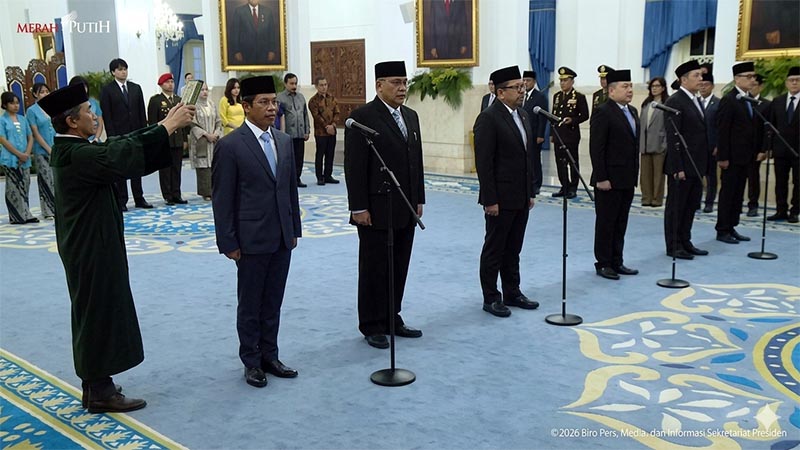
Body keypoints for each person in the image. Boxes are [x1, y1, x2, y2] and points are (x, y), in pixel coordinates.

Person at [40, 83, 195, 413]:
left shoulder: (72, 149)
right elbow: (118, 155)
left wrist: (162, 125)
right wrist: (168, 126)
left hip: (90, 244)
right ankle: (100, 391)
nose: (94, 115)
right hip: (91, 248)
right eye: (88, 111)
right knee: (99, 312)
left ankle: (95, 382)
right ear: (72, 121)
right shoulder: (77, 154)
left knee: (94, 310)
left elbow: (118, 144)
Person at [212, 76, 301, 388]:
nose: (271, 108)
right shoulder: (230, 146)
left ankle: (270, 356)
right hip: (250, 239)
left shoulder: (284, 141)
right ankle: (251, 361)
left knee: (273, 301)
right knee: (250, 304)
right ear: (246, 106)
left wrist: (294, 228)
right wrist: (228, 241)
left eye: (273, 102)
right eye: (263, 102)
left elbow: (289, 190)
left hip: (281, 236)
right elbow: (222, 198)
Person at [344, 61, 425, 348]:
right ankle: (371, 323)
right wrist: (358, 207)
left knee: (399, 264)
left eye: (404, 82)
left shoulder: (411, 116)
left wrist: (418, 198)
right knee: (374, 267)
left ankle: (392, 316)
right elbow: (354, 167)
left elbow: (416, 161)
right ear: (379, 85)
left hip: (405, 205)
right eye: (395, 82)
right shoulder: (362, 117)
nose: (402, 88)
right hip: (375, 208)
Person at [473, 65, 538, 317]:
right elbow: (484, 163)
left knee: (514, 248)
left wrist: (530, 191)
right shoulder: (488, 118)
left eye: (522, 86)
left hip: (520, 195)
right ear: (501, 92)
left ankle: (513, 291)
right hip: (499, 198)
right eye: (517, 87)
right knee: (495, 248)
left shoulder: (523, 115)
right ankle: (491, 297)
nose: (522, 91)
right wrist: (490, 199)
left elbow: (527, 157)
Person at [590, 69, 639, 280]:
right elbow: (597, 148)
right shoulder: (603, 111)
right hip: (608, 179)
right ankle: (603, 263)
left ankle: (617, 261)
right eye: (625, 86)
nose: (630, 90)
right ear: (611, 90)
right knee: (606, 223)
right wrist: (602, 177)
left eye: (631, 86)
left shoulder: (632, 111)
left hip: (627, 178)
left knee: (621, 222)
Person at [663, 59, 709, 260]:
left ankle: (685, 240)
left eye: (701, 75)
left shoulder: (695, 99)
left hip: (696, 164)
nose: (701, 79)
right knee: (677, 207)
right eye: (696, 75)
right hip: (681, 166)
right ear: (683, 79)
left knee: (690, 206)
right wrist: (677, 167)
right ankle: (674, 245)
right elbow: (673, 137)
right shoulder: (675, 101)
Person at [715, 62, 762, 244]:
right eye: (748, 77)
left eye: (753, 76)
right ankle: (722, 229)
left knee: (738, 193)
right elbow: (723, 130)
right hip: (731, 157)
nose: (752, 80)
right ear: (737, 79)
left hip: (746, 156)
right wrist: (723, 157)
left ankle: (732, 225)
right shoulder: (729, 99)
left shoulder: (748, 99)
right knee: (728, 193)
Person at [100, 58, 152, 211]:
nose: (123, 72)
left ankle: (139, 198)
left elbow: (141, 112)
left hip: (136, 133)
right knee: (121, 167)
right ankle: (122, 200)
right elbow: (107, 115)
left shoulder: (136, 88)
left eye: (125, 69)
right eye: (120, 69)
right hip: (118, 135)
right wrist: (112, 136)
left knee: (137, 166)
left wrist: (144, 132)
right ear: (113, 72)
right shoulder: (107, 90)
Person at [148, 73, 189, 205]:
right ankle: (168, 195)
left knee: (177, 168)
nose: (170, 84)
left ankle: (176, 193)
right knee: (165, 169)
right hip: (164, 139)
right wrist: (155, 139)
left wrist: (184, 139)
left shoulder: (178, 100)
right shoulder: (156, 100)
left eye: (172, 82)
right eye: (167, 82)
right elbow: (153, 122)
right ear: (161, 85)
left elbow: (183, 121)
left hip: (177, 139)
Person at [766, 66, 800, 223]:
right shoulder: (778, 101)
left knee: (798, 182)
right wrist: (768, 147)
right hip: (780, 150)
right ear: (786, 83)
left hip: (798, 151)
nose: (794, 83)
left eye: (797, 80)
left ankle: (795, 211)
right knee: (780, 182)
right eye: (791, 80)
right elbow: (771, 126)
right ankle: (781, 210)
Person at [551, 66, 589, 199]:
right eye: (561, 80)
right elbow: (553, 116)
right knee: (559, 162)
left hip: (571, 135)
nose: (562, 83)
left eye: (565, 80)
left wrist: (572, 120)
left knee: (572, 162)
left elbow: (585, 115)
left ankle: (573, 188)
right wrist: (552, 134)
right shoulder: (557, 96)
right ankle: (564, 186)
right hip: (558, 135)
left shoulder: (578, 97)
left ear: (572, 81)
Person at [0, 92, 36, 224]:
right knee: (13, 187)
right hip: (10, 158)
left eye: (17, 103)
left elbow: (30, 136)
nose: (15, 106)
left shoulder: (23, 119)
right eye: (12, 103)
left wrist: (26, 153)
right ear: (5, 105)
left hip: (25, 158)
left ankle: (26, 213)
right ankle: (15, 216)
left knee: (25, 183)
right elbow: (3, 139)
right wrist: (18, 154)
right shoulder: (2, 120)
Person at [26, 83, 56, 219]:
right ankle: (48, 210)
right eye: (42, 92)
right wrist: (48, 149)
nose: (45, 94)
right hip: (41, 150)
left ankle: (57, 207)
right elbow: (35, 132)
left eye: (46, 91)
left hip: (55, 146)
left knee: (55, 179)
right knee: (45, 179)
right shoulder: (32, 111)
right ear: (35, 94)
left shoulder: (51, 107)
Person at [188, 82, 222, 201]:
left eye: (206, 89)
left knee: (215, 165)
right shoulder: (193, 106)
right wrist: (206, 135)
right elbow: (192, 123)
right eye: (202, 90)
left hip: (213, 140)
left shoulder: (212, 104)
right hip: (201, 140)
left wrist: (216, 133)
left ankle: (216, 190)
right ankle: (206, 192)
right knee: (203, 167)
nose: (205, 92)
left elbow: (218, 121)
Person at [639, 77, 668, 207]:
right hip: (645, 144)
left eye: (657, 86)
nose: (654, 88)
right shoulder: (646, 104)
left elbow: (668, 126)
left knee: (658, 174)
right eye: (652, 86)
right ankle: (646, 197)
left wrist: (665, 144)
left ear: (663, 88)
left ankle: (657, 198)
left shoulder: (666, 104)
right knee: (645, 174)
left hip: (659, 143)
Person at [277, 73, 310, 187]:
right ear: (285, 84)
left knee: (299, 158)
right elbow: (278, 117)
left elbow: (305, 114)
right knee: (288, 158)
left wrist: (307, 130)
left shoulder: (301, 97)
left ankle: (297, 179)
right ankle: (288, 180)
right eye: (291, 83)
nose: (294, 86)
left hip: (300, 133)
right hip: (287, 135)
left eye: (295, 83)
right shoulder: (280, 98)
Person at [745, 74, 771, 217]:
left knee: (753, 178)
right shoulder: (742, 101)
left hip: (756, 148)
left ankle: (753, 205)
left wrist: (764, 149)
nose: (751, 87)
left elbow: (767, 130)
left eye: (754, 85)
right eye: (749, 84)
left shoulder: (766, 104)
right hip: (740, 148)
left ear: (760, 87)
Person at [308, 76, 340, 185]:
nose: (324, 87)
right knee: (320, 154)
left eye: (325, 85)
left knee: (330, 154)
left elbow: (337, 113)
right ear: (316, 86)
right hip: (321, 132)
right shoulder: (313, 101)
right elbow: (316, 116)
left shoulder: (332, 98)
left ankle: (328, 175)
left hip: (332, 131)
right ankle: (319, 177)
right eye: (321, 85)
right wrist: (327, 126)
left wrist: (333, 125)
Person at [521, 70, 548, 195]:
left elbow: (543, 118)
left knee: (535, 160)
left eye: (528, 80)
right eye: (524, 80)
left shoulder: (540, 96)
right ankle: (526, 182)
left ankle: (536, 184)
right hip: (523, 134)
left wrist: (540, 135)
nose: (526, 83)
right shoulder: (521, 95)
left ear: (534, 82)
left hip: (535, 134)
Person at [228, 0, 279, 65]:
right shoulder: (239, 11)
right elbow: (235, 33)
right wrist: (236, 51)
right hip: (245, 53)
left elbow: (272, 33)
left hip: (264, 53)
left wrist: (272, 50)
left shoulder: (267, 11)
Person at [699, 72, 721, 213]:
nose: (703, 87)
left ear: (712, 86)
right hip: (697, 147)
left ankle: (709, 202)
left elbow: (721, 127)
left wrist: (718, 145)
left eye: (706, 85)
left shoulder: (718, 103)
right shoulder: (695, 102)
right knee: (697, 175)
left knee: (711, 177)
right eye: (700, 84)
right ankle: (696, 201)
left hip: (711, 146)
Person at [68, 76, 105, 142]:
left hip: (94, 141)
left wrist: (96, 138)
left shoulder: (93, 102)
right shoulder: (69, 106)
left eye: (84, 86)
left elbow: (100, 123)